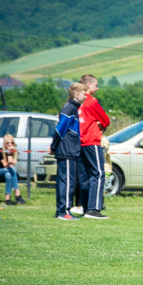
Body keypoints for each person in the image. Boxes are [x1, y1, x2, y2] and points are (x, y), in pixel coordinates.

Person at [51, 83, 86, 220]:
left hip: (70, 150)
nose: (85, 96)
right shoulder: (69, 108)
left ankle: (62, 210)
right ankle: (63, 211)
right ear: (77, 95)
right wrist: (53, 146)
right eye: (84, 93)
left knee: (66, 181)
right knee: (67, 182)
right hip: (67, 151)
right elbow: (60, 129)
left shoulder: (73, 108)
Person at [78, 74, 111, 220]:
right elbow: (106, 120)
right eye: (95, 85)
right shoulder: (91, 102)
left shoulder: (75, 101)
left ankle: (83, 206)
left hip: (79, 142)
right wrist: (100, 127)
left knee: (84, 176)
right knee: (98, 174)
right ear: (89, 85)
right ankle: (93, 209)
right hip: (91, 141)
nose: (97, 88)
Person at [0, 134, 26, 206]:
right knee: (12, 169)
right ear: (4, 144)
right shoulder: (0, 151)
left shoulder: (15, 152)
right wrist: (8, 154)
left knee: (8, 175)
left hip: (7, 172)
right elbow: (5, 165)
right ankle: (17, 194)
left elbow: (12, 165)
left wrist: (11, 153)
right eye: (8, 143)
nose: (10, 145)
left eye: (12, 143)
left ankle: (7, 198)